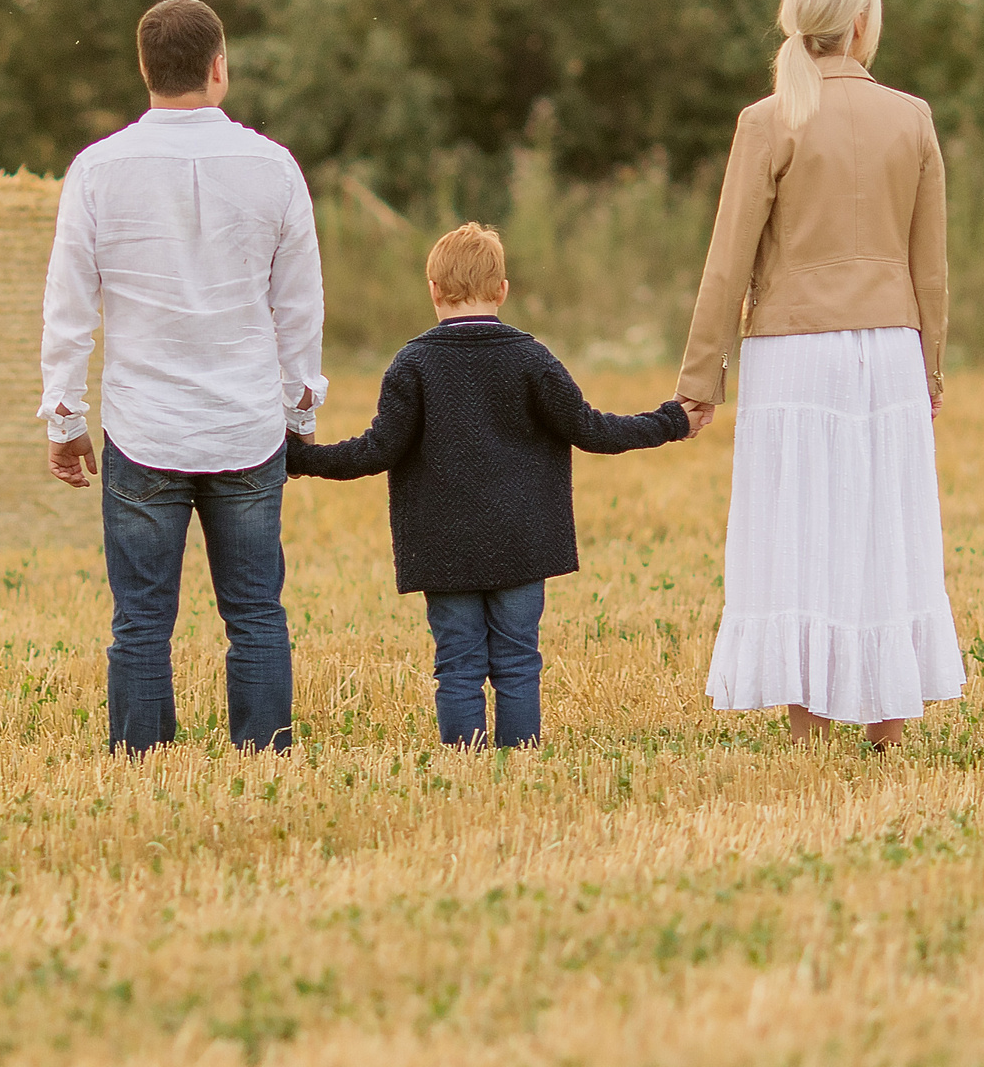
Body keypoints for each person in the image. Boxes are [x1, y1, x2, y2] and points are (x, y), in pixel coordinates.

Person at [674, 0, 965, 750]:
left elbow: (726, 262)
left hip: (793, 354)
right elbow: (928, 267)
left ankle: (806, 726)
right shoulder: (913, 118)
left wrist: (701, 377)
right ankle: (888, 726)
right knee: (886, 524)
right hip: (890, 349)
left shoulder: (768, 120)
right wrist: (930, 367)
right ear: (864, 24)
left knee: (800, 523)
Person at [39, 0, 326, 756]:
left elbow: (68, 308)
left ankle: (143, 772)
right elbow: (299, 309)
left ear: (144, 68)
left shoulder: (97, 170)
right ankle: (264, 761)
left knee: (140, 621)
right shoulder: (275, 167)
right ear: (218, 67)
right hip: (247, 425)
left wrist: (64, 419)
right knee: (257, 613)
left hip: (144, 428)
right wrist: (300, 417)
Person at [285, 223, 692, 748]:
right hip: (524, 541)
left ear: (433, 289)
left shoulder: (413, 364)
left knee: (457, 665)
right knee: (519, 661)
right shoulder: (530, 358)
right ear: (502, 290)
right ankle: (519, 763)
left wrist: (300, 456)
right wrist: (672, 420)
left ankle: (464, 765)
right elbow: (594, 430)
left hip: (442, 547)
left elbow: (375, 451)